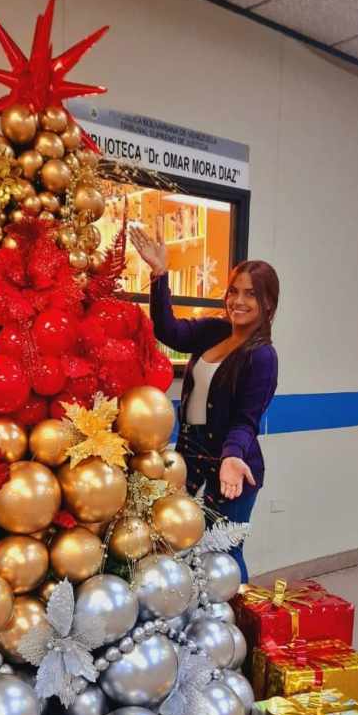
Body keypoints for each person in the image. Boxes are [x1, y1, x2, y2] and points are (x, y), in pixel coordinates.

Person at [130, 220, 279, 583]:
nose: (238, 301)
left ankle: (245, 629)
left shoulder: (262, 356)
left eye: (250, 295)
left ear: (268, 303)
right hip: (190, 459)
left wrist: (231, 457)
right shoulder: (214, 330)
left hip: (232, 468)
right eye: (233, 291)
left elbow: (247, 420)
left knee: (224, 555)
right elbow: (169, 330)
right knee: (183, 545)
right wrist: (160, 273)